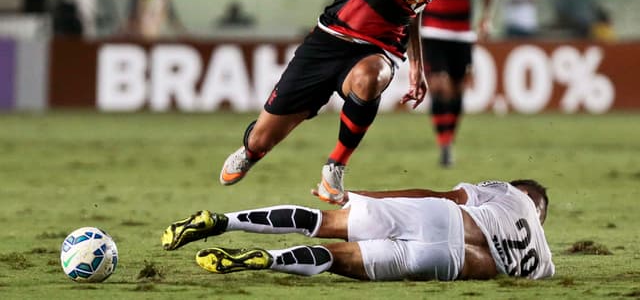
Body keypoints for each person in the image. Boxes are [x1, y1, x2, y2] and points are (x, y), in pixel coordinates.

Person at [219, 0, 480, 204]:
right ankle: (250, 149)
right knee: (261, 140)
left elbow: (412, 11)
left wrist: (415, 65)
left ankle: (335, 168)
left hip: (379, 50)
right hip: (328, 40)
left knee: (371, 77)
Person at [162, 179, 555, 281]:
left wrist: (361, 196)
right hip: (448, 263)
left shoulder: (507, 193)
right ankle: (268, 261)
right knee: (334, 258)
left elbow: (446, 196)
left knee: (323, 222)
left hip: (443, 217)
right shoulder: (544, 265)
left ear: (524, 194)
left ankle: (222, 221)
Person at [420, 0, 497, 167]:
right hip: (432, 30)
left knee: (457, 89)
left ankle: (449, 140)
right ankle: (444, 144)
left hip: (462, 33)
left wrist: (486, 19)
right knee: (439, 85)